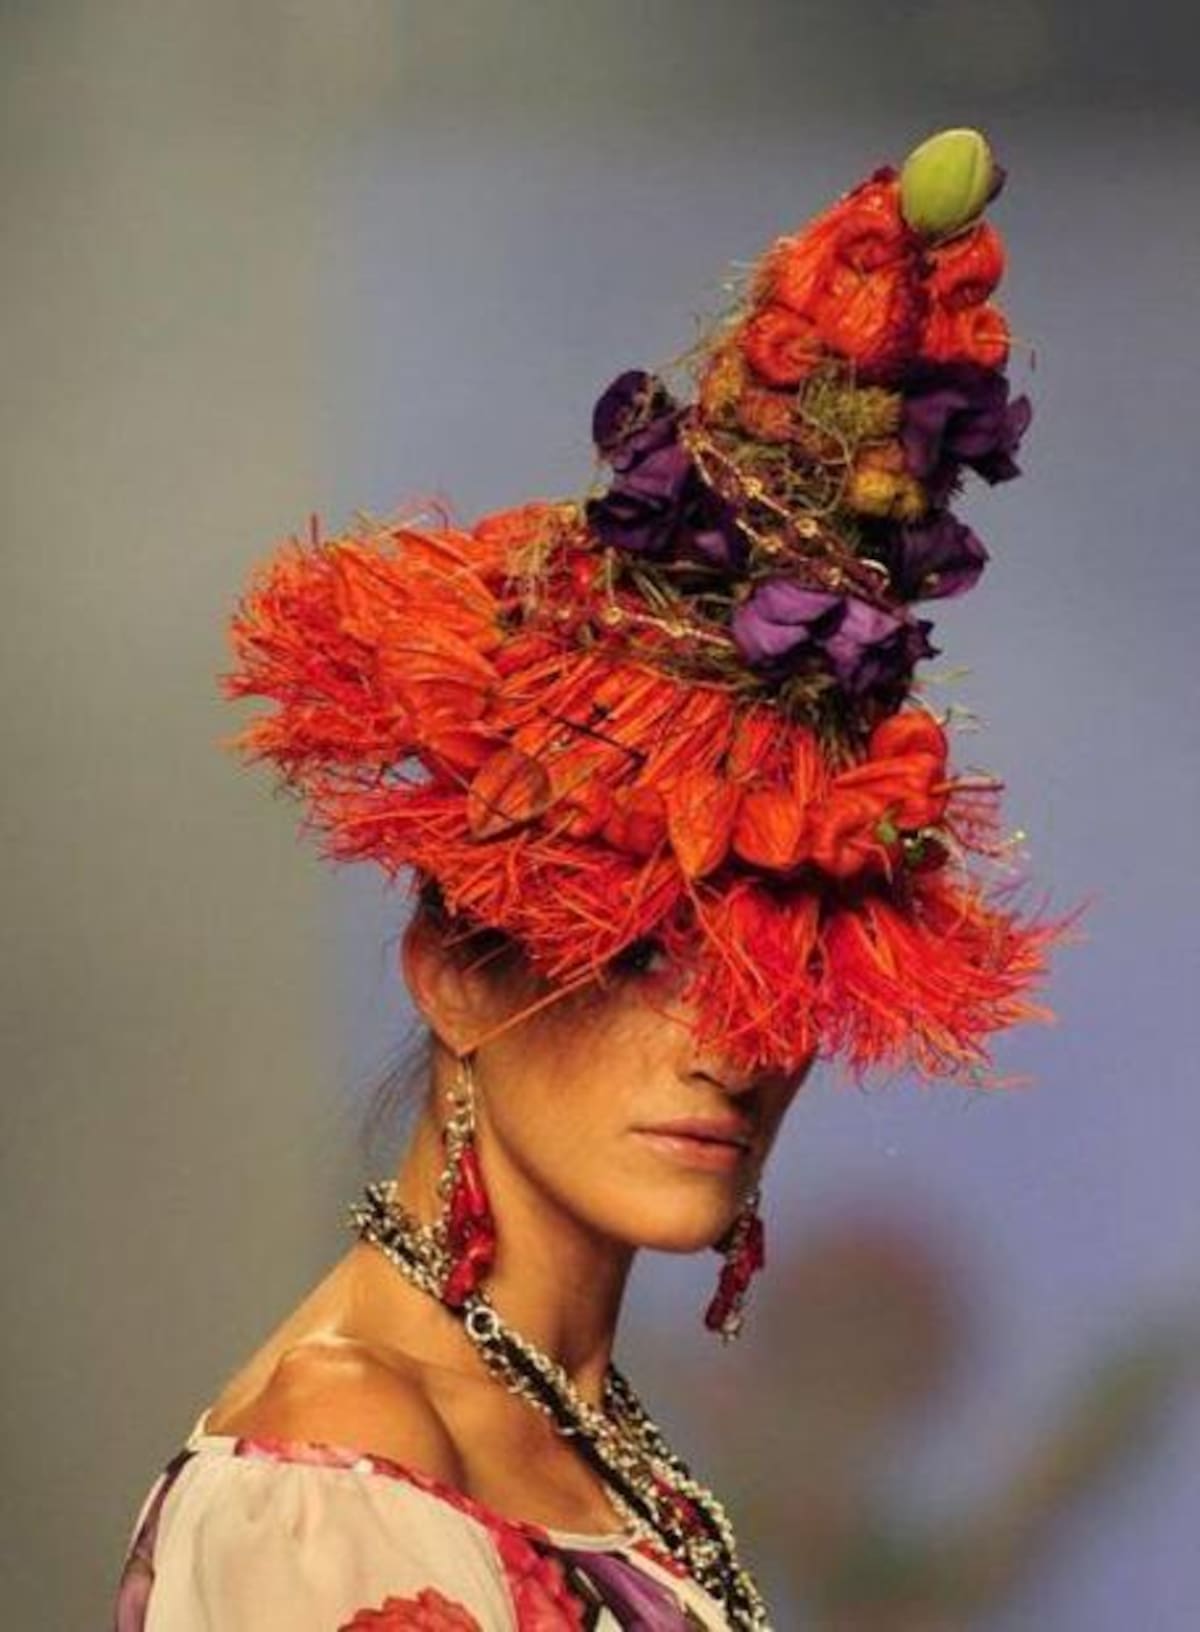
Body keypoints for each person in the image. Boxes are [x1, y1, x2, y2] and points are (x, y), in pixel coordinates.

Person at [113, 128, 1062, 1630]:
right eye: (648, 954)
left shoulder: (580, 1433)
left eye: (784, 959)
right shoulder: (346, 1460)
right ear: (454, 972)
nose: (736, 1043)